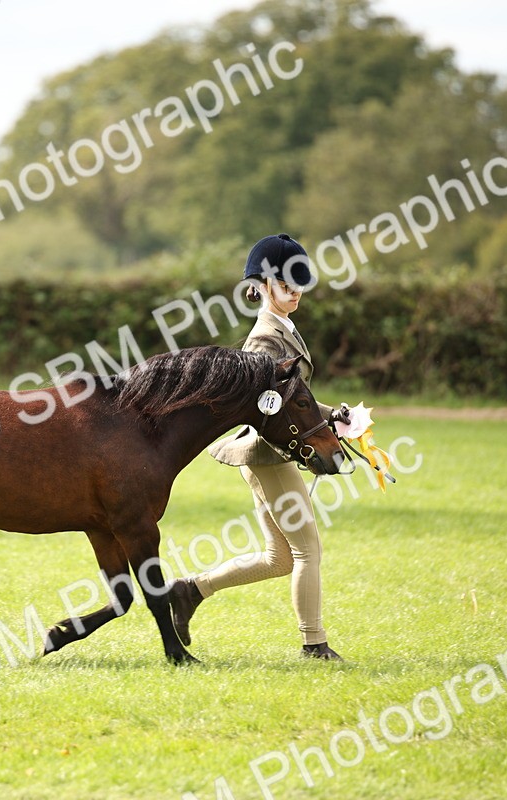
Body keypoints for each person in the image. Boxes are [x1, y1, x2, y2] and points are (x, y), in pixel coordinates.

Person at [168, 233, 343, 660]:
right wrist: (321, 423)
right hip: (269, 455)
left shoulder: (283, 327)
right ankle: (314, 645)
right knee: (307, 550)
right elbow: (269, 407)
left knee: (279, 558)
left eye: (299, 284)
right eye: (286, 285)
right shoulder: (265, 340)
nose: (296, 292)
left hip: (272, 455)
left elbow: (292, 396)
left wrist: (332, 417)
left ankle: (190, 591)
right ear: (263, 286)